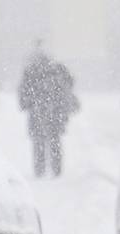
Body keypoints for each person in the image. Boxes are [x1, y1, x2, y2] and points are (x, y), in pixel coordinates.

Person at [18, 47, 79, 178]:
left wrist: (27, 103)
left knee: (38, 141)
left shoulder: (30, 72)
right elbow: (70, 83)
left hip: (37, 112)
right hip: (55, 112)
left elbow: (23, 93)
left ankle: (39, 170)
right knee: (55, 140)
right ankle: (56, 170)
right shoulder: (57, 70)